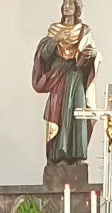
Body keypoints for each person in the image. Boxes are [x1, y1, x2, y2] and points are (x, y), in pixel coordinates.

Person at [32, 0, 98, 165]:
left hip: (76, 76)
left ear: (77, 8)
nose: (67, 6)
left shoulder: (84, 30)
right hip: (59, 76)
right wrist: (55, 40)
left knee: (77, 112)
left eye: (71, 4)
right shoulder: (54, 29)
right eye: (65, 3)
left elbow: (88, 58)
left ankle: (77, 155)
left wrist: (92, 55)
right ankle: (58, 155)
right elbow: (44, 55)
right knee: (59, 113)